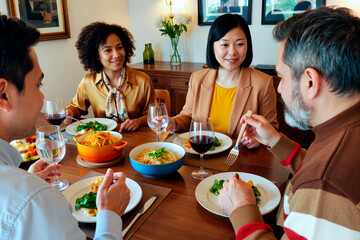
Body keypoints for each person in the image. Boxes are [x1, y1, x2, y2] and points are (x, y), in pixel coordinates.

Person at [218, 7, 360, 239]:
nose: (279, 88)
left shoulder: (326, 185)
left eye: (282, 77)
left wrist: (242, 209)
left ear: (310, 83)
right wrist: (274, 139)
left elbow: (322, 177)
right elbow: (317, 166)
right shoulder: (344, 129)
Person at [0, 15, 130, 239]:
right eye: (38, 84)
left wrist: (30, 186)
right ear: (3, 94)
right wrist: (109, 214)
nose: (42, 98)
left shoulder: (27, 193)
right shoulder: (33, 200)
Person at [168, 14, 278, 149]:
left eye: (240, 44)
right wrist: (173, 123)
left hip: (239, 158)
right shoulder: (197, 79)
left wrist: (258, 141)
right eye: (224, 44)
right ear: (212, 47)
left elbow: (271, 129)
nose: (232, 52)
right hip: (202, 154)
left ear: (247, 45)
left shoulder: (263, 83)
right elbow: (187, 117)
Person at [65, 22, 156, 133]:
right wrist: (70, 112)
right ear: (97, 56)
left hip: (138, 140)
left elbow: (154, 116)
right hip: (102, 141)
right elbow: (77, 108)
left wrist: (138, 121)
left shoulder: (143, 81)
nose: (117, 54)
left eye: (119, 47)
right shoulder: (89, 82)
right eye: (108, 50)